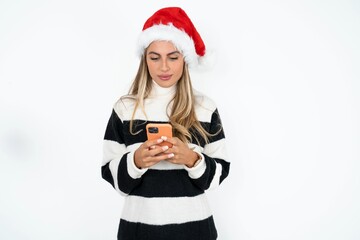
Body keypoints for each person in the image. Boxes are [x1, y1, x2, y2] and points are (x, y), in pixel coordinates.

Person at [101, 6, 230, 240]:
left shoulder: (205, 107)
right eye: (154, 57)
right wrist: (136, 161)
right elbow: (110, 176)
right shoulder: (124, 108)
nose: (164, 67)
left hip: (195, 230)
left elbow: (219, 174)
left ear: (185, 59)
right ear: (144, 59)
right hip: (139, 231)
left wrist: (192, 159)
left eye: (173, 57)